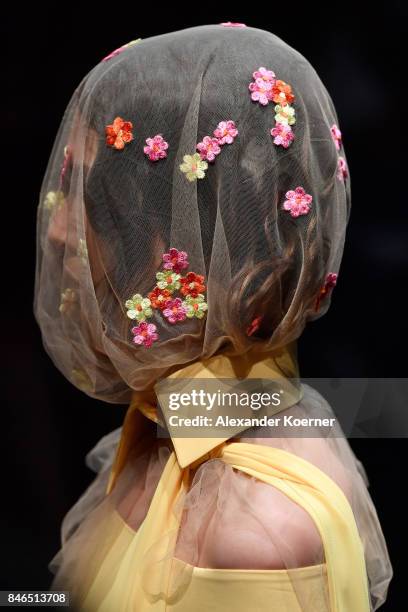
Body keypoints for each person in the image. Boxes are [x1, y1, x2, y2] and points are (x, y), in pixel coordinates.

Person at [33, 24, 392, 611]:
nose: (57, 224)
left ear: (175, 227)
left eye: (88, 187)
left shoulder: (252, 536)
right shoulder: (164, 430)